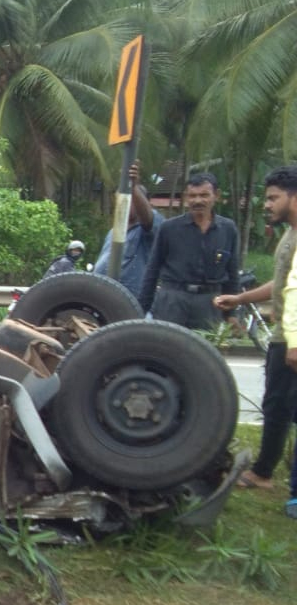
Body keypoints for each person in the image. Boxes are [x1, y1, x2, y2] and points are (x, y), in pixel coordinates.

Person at [216, 166, 297, 494]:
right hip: (284, 334)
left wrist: (293, 341)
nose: (268, 204)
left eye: (274, 197)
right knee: (278, 405)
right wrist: (241, 297)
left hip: (291, 338)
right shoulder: (290, 234)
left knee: (281, 405)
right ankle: (272, 471)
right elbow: (280, 283)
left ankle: (267, 472)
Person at [137, 172, 240, 330]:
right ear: (186, 197)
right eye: (192, 196)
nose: (198, 201)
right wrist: (141, 311)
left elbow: (232, 273)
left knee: (203, 351)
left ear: (216, 196)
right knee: (167, 349)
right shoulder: (169, 228)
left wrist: (232, 313)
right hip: (172, 301)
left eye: (204, 195)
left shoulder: (228, 229)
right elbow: (152, 270)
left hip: (209, 303)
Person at [94, 161, 164, 297]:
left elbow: (148, 218)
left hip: (132, 302)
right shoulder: (114, 232)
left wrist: (133, 187)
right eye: (119, 199)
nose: (123, 204)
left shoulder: (148, 228)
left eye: (129, 199)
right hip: (104, 298)